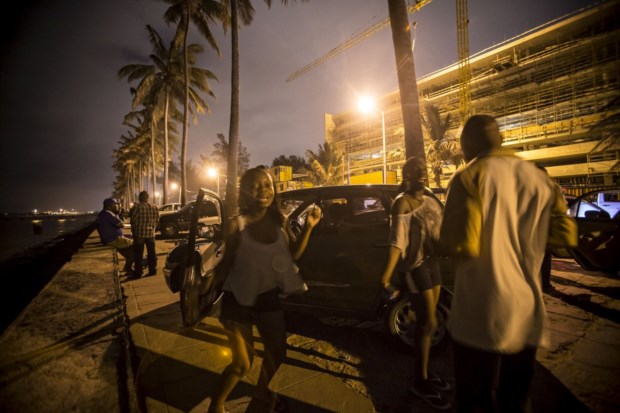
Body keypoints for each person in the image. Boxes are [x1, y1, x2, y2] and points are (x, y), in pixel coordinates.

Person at [440, 114, 577, 413]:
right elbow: (564, 238)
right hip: (527, 313)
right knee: (515, 402)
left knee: (475, 403)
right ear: (501, 139)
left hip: (479, 314)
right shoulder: (540, 179)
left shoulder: (469, 177)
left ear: (466, 145)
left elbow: (457, 243)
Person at [208, 167, 321, 413]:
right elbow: (224, 265)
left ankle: (261, 394)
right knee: (242, 364)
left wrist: (309, 227)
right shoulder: (235, 225)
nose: (263, 190)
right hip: (236, 298)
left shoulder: (280, 222)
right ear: (246, 192)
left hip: (267, 295)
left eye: (268, 185)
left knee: (277, 351)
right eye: (256, 186)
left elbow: (292, 255)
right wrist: (204, 295)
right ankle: (216, 405)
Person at [379, 157, 452, 411]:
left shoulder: (430, 199)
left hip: (433, 264)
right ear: (405, 176)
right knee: (427, 323)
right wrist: (386, 277)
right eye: (414, 170)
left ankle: (425, 373)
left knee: (429, 322)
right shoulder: (401, 202)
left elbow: (442, 230)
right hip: (415, 267)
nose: (421, 173)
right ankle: (420, 381)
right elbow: (397, 242)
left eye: (423, 169)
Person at [96, 197, 134, 274]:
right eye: (115, 205)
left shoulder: (102, 213)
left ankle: (128, 266)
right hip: (114, 239)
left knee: (130, 240)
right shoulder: (108, 214)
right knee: (136, 244)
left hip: (110, 239)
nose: (117, 206)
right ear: (109, 206)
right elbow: (120, 224)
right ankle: (128, 268)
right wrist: (118, 213)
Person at [130, 191, 159, 278]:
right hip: (151, 233)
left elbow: (133, 220)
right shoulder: (154, 207)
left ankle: (138, 273)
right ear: (147, 198)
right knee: (152, 253)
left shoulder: (137, 207)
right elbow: (157, 220)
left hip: (140, 233)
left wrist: (135, 228)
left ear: (140, 198)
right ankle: (152, 270)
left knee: (138, 254)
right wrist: (152, 227)